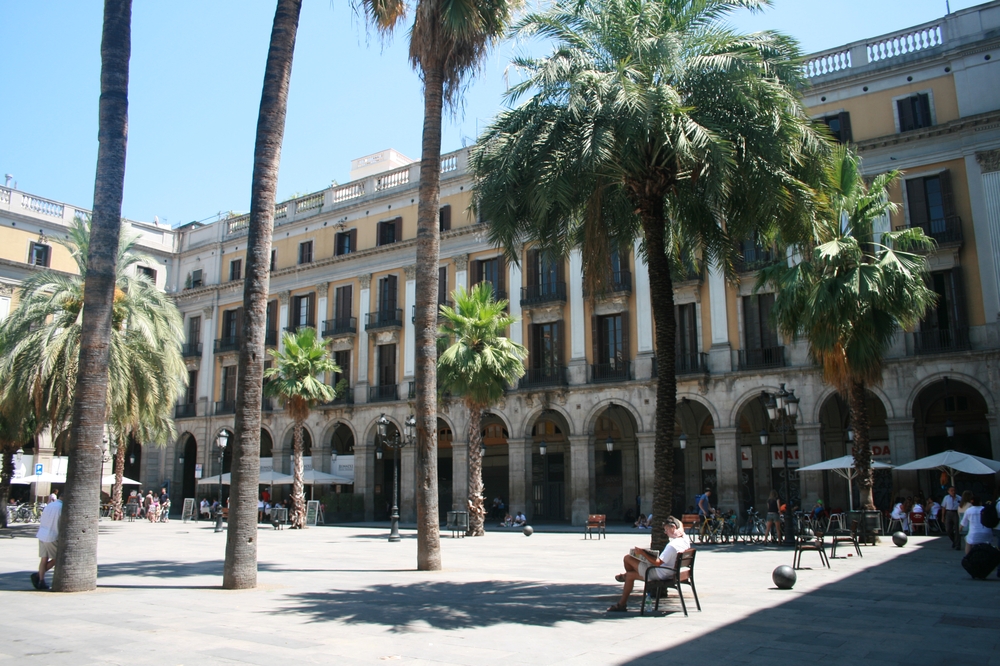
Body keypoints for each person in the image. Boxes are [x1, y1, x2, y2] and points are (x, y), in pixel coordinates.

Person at [608, 516, 691, 612]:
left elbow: (658, 562)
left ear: (673, 528)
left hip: (659, 573)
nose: (665, 532)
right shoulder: (685, 539)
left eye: (666, 529)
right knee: (631, 575)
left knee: (627, 558)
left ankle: (625, 579)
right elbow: (680, 524)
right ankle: (622, 603)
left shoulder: (672, 546)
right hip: (670, 572)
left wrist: (643, 553)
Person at [32, 493, 62, 590]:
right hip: (52, 535)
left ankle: (41, 580)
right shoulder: (62, 507)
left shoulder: (50, 505)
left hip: (42, 533)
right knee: (57, 558)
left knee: (44, 559)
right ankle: (37, 576)